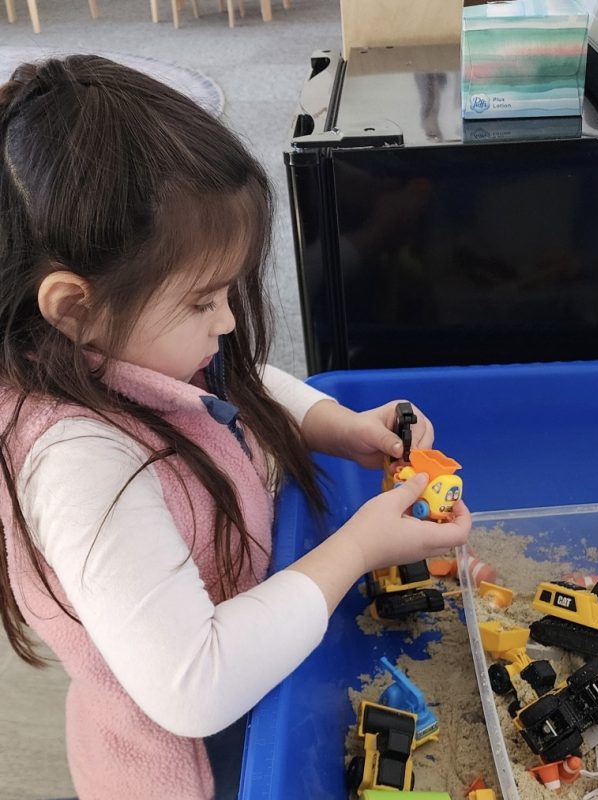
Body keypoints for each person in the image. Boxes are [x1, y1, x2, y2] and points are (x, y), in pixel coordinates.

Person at [0, 55, 472, 800]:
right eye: (202, 302)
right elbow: (195, 684)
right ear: (74, 307)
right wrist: (359, 549)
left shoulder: (131, 345)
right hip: (189, 766)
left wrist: (338, 425)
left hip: (260, 680)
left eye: (229, 292)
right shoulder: (79, 468)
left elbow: (239, 381)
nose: (226, 322)